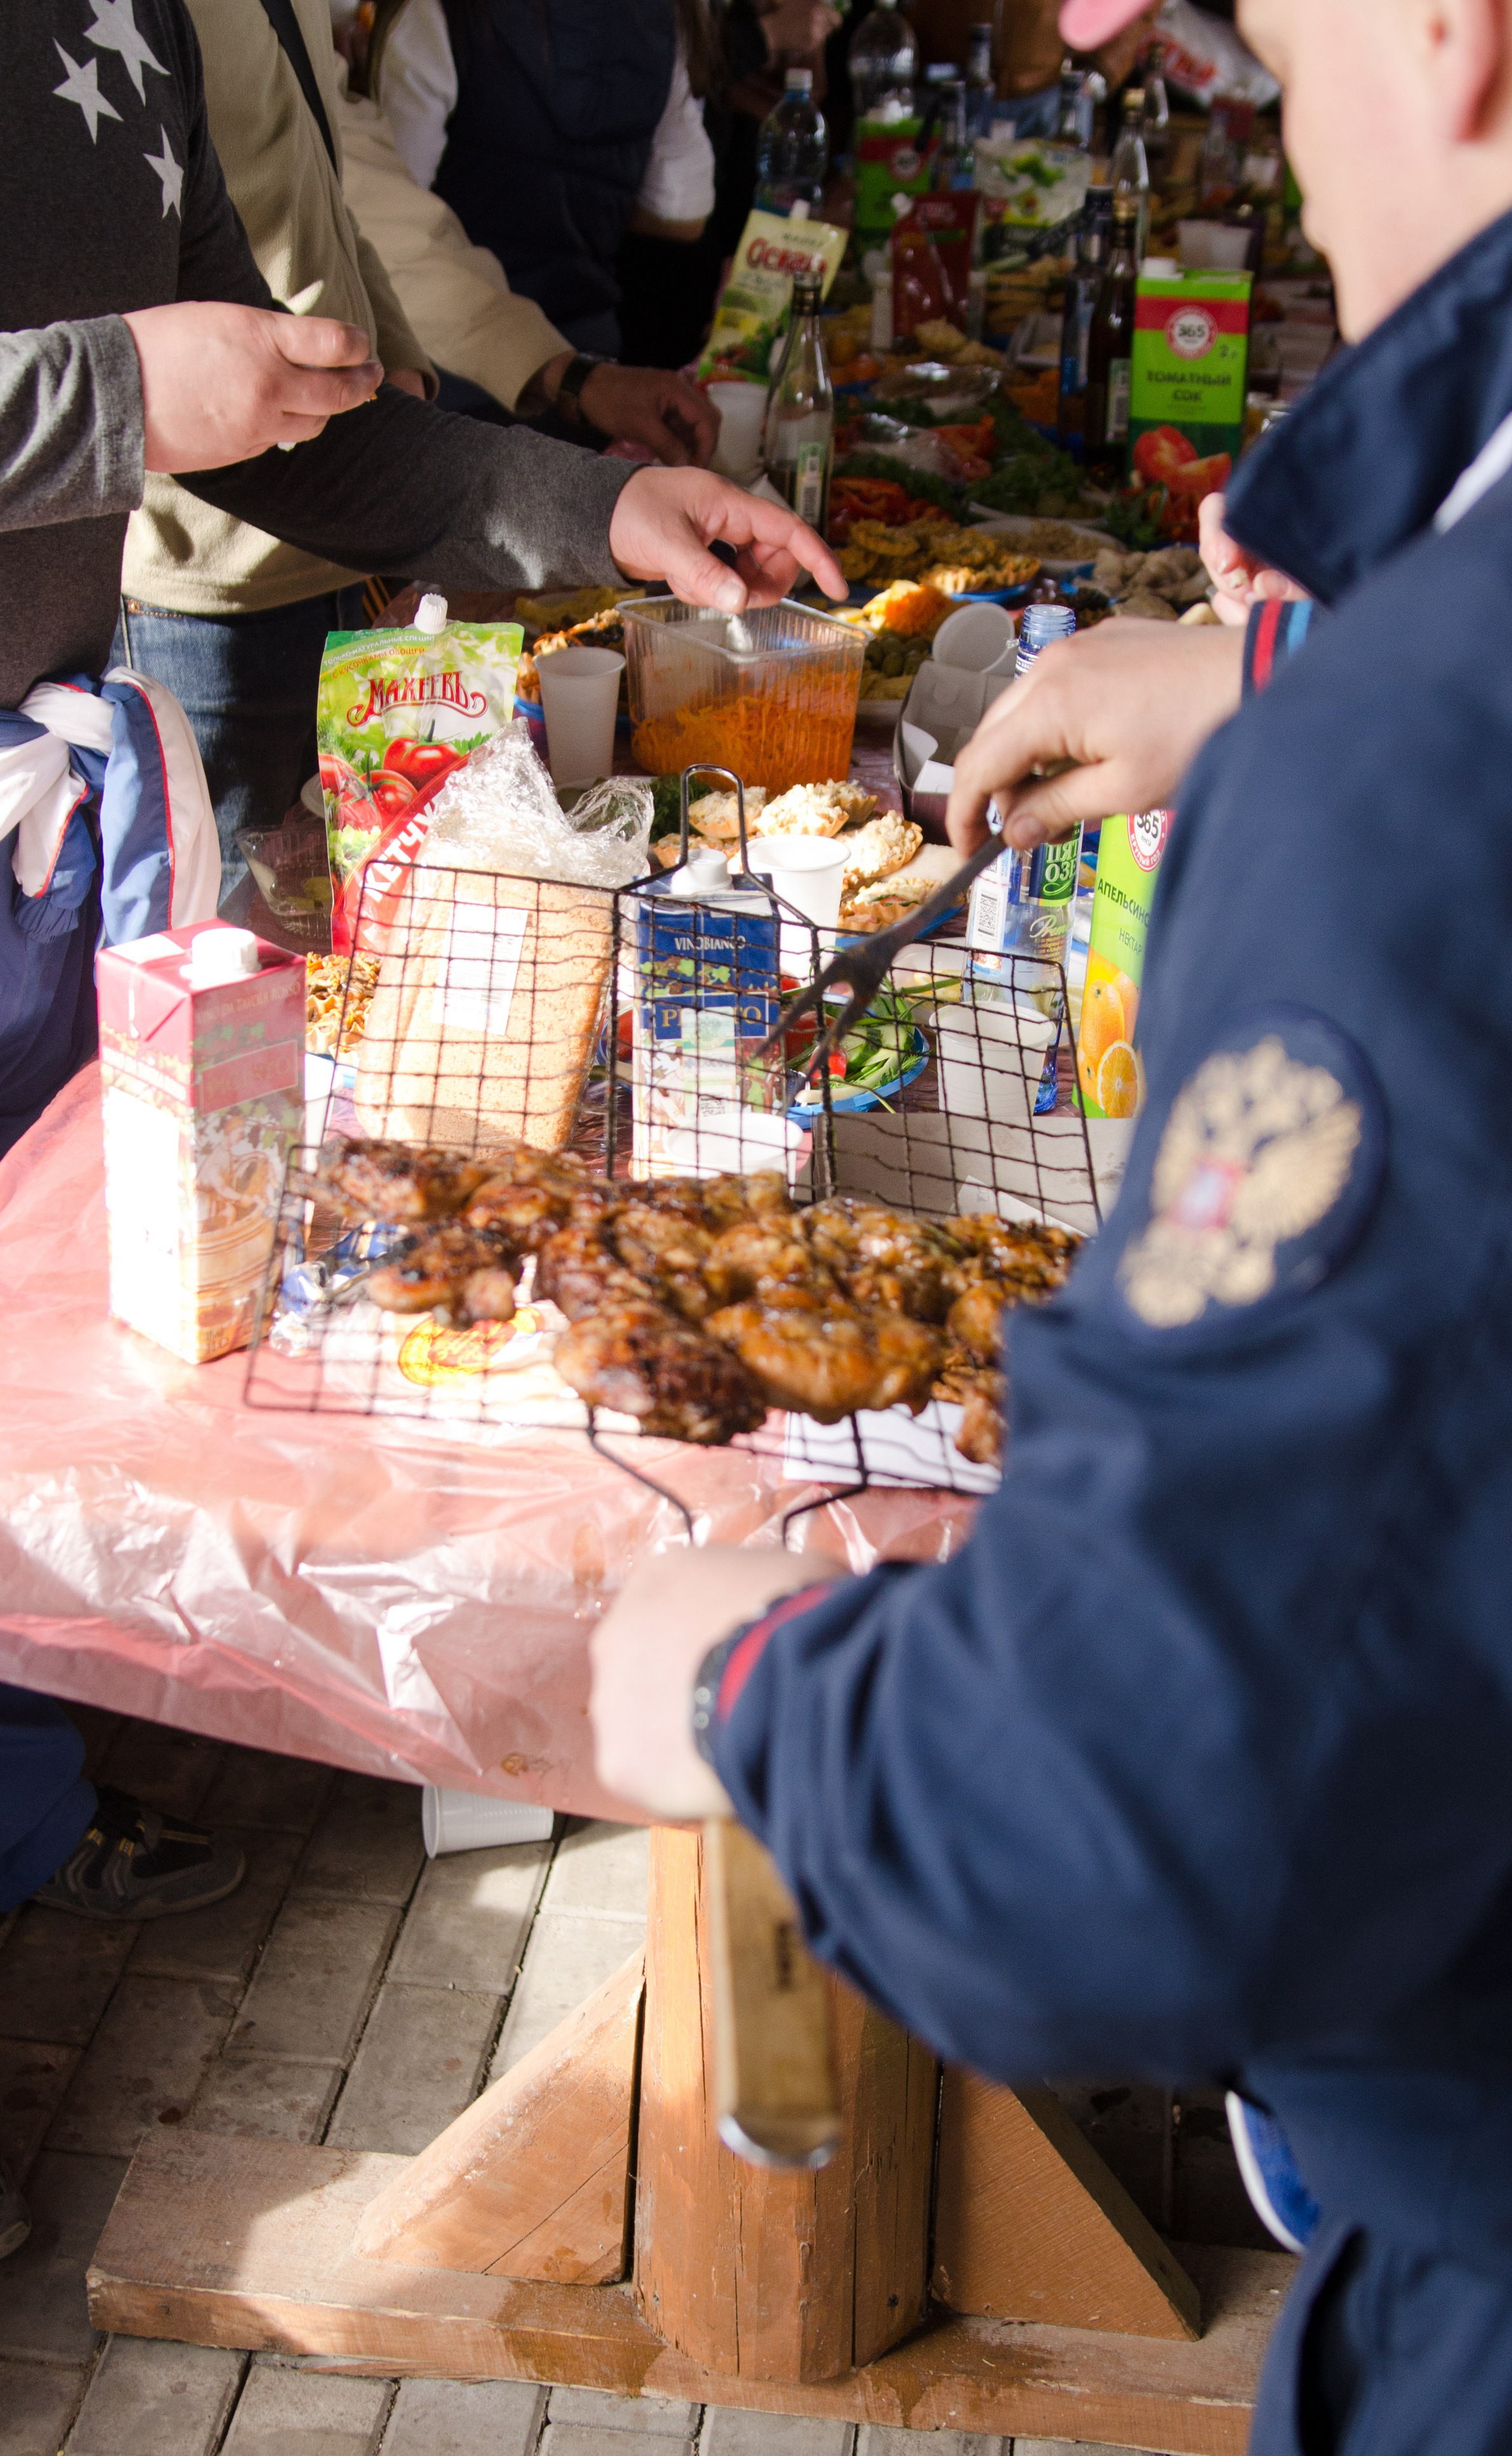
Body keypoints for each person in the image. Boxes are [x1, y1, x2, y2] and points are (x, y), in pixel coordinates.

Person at [588, 1, 1512, 2450]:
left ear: (1443, 29)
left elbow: (1137, 1823)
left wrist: (749, 1694)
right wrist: (1288, 669)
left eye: (1255, 55)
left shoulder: (1453, 743)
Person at [0, 0, 840, 2261]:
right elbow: (125, 406)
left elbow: (298, 456)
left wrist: (587, 502)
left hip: (45, 852)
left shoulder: (136, 27)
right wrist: (114, 392)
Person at [119, 0, 722, 900]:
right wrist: (125, 382)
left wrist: (402, 360)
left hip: (355, 505)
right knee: (235, 956)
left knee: (367, 926)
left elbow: (331, 177)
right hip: (217, 586)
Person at [368, 0, 717, 359]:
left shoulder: (436, 12)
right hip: (586, 351)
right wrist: (587, 202)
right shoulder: (665, 14)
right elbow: (685, 212)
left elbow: (390, 216)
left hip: (457, 353)